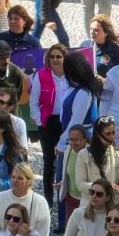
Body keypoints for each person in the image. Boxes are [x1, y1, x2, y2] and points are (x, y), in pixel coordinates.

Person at [29, 44, 70, 206]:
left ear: (64, 58)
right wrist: (39, 121)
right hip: (48, 122)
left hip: (66, 121)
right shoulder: (41, 75)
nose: (55, 60)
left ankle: (65, 199)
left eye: (58, 56)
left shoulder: (71, 75)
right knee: (49, 162)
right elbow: (33, 101)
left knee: (67, 160)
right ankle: (48, 202)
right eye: (52, 56)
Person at [0, 163, 52, 236]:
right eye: (13, 177)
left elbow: (43, 234)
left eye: (20, 178)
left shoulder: (40, 202)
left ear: (29, 181)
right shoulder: (0, 198)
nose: (15, 180)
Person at [74, 117, 119, 203]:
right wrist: (102, 188)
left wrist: (116, 194)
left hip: (112, 205)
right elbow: (80, 184)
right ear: (98, 134)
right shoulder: (83, 154)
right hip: (89, 205)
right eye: (108, 133)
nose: (112, 137)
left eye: (113, 133)